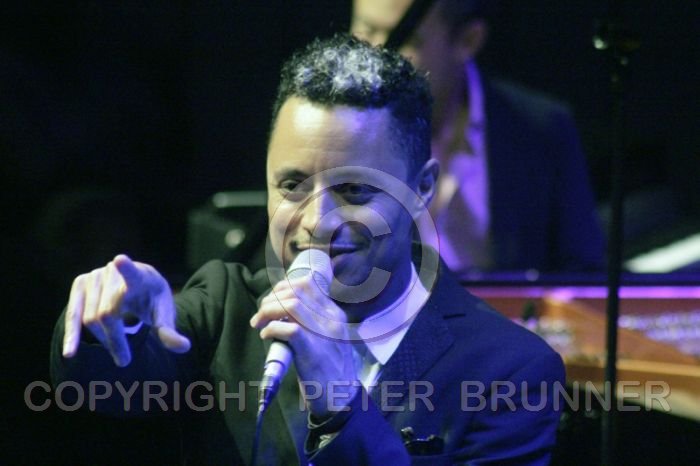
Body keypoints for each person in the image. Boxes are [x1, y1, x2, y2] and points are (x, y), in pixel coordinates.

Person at [51, 34, 565, 465]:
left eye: (355, 190)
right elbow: (103, 386)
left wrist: (342, 404)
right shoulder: (227, 309)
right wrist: (116, 319)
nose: (318, 221)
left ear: (422, 188)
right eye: (292, 185)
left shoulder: (508, 370)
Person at [352, 0, 605, 274]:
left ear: (468, 41)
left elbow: (583, 274)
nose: (376, 61)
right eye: (367, 31)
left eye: (406, 39)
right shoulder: (332, 131)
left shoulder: (542, 129)